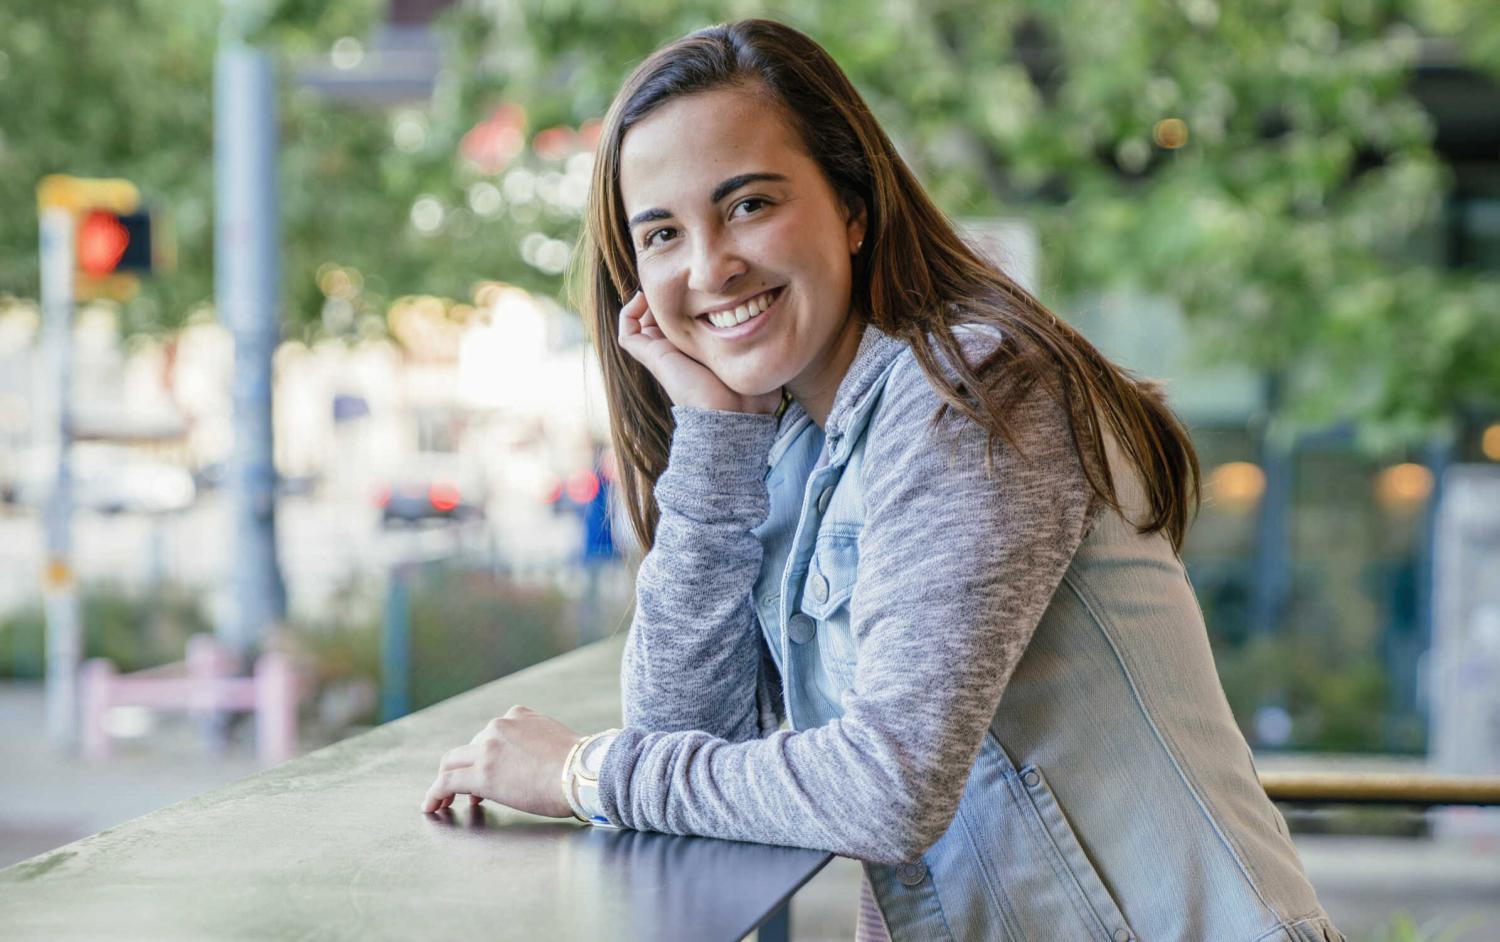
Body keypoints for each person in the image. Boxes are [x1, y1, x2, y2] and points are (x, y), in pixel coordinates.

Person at [421, 18, 1343, 942]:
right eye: (662, 233)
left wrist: (579, 770)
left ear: (853, 208)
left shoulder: (974, 390)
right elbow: (684, 740)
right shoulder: (786, 454)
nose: (709, 265)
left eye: (748, 205)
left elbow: (887, 788)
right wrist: (714, 438)